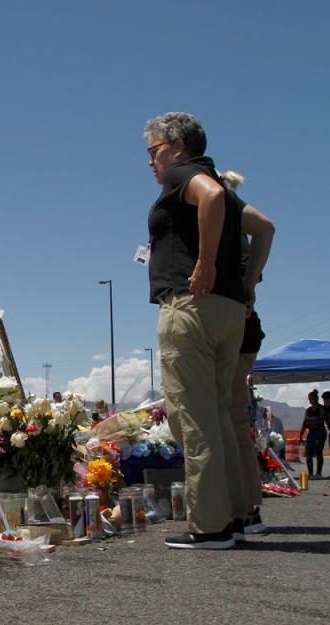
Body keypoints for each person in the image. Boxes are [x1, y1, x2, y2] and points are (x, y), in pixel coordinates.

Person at [144, 112, 267, 550]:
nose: (151, 162)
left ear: (177, 147)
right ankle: (236, 514)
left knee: (191, 418)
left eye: (154, 151)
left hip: (190, 306)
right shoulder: (228, 190)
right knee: (218, 416)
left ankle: (210, 526)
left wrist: (205, 263)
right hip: (228, 312)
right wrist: (248, 283)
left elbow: (210, 196)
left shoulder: (185, 175)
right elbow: (265, 228)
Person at [221, 170, 274, 536]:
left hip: (234, 329)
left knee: (230, 419)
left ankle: (243, 509)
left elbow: (267, 227)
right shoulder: (238, 239)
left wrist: (244, 291)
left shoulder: (226, 223)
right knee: (234, 418)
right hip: (245, 330)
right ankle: (245, 506)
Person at [299, 390, 327, 479]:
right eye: (309, 399)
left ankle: (318, 473)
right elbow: (305, 423)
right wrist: (301, 435)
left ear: (315, 398)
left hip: (320, 432)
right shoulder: (308, 410)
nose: (309, 400)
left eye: (311, 398)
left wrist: (312, 421)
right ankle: (310, 474)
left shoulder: (321, 408)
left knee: (319, 453)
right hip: (311, 433)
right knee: (309, 454)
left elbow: (320, 420)